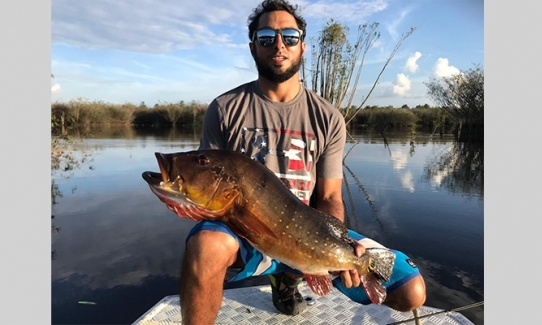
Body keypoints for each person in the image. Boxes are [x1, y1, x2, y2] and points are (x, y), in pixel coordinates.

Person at [178, 0, 426, 324]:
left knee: (411, 291)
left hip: (309, 234)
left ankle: (289, 277)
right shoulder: (224, 109)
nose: (278, 45)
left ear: (303, 47)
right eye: (266, 37)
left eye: (289, 37)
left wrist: (342, 247)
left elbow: (329, 198)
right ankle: (279, 273)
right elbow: (209, 184)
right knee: (205, 244)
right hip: (247, 231)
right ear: (253, 47)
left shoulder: (328, 117)